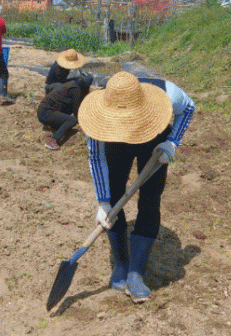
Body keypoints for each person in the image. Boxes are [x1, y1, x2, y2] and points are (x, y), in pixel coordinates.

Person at [77, 70, 194, 303]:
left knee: (150, 198)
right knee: (114, 195)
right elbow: (96, 158)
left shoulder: (167, 94)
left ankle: (136, 272)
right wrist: (103, 202)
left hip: (152, 134)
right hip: (114, 140)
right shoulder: (98, 114)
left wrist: (172, 142)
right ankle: (121, 264)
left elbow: (189, 107)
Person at [37, 74, 93, 150]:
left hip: (43, 110)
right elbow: (76, 111)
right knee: (72, 120)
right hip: (45, 113)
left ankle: (52, 126)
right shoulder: (76, 90)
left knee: (69, 108)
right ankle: (53, 140)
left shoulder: (72, 84)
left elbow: (49, 87)